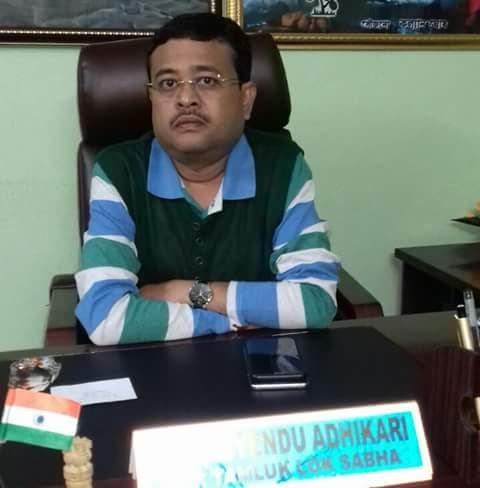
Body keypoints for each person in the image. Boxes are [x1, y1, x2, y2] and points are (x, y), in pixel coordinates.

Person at [75, 13, 340, 345]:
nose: (185, 99)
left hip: (260, 365)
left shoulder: (283, 166)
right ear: (151, 98)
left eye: (206, 80)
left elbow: (314, 303)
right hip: (153, 366)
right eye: (167, 83)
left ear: (246, 99)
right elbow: (105, 318)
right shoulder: (118, 170)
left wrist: (185, 292)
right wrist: (235, 321)